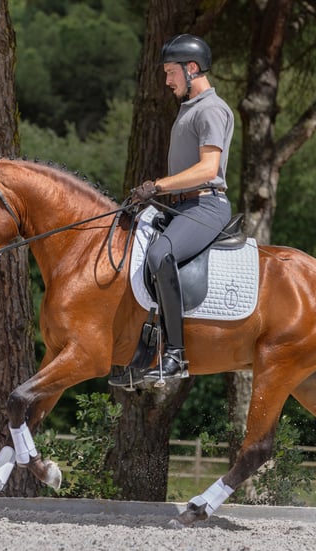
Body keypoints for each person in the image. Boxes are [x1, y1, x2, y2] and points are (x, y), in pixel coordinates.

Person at [130, 34, 234, 384]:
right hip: (181, 206)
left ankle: (175, 354)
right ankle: (141, 346)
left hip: (206, 205)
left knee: (160, 255)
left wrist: (158, 185)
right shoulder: (190, 108)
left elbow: (208, 169)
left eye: (171, 72)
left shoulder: (211, 109)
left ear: (191, 69)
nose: (167, 80)